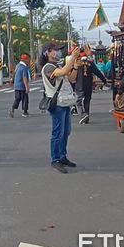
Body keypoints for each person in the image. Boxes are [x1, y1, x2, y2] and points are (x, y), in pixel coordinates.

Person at [41, 43, 80, 173]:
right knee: (57, 133)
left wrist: (75, 65)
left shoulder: (57, 65)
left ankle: (63, 157)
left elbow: (72, 78)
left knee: (66, 131)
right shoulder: (48, 67)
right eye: (56, 50)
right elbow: (63, 72)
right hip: (56, 104)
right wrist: (73, 58)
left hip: (65, 102)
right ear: (48, 52)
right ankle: (55, 159)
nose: (58, 53)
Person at [74, 52, 107, 124]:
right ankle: (87, 117)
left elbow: (72, 74)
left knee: (78, 101)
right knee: (87, 101)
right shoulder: (90, 63)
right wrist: (104, 80)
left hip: (79, 85)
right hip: (88, 85)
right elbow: (97, 72)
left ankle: (82, 115)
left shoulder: (77, 63)